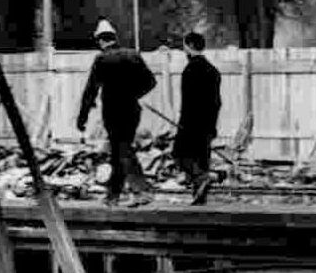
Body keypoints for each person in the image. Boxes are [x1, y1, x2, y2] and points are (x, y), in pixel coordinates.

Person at [74, 19, 157, 203]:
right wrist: (134, 95)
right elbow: (151, 82)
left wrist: (82, 117)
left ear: (101, 41)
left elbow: (90, 91)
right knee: (119, 150)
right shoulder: (133, 55)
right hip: (133, 110)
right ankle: (113, 194)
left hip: (113, 112)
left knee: (122, 148)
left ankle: (141, 190)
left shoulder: (102, 59)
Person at [173, 32, 223, 204]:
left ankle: (203, 179)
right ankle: (199, 196)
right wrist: (213, 125)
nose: (183, 49)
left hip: (191, 123)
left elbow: (188, 102)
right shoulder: (213, 71)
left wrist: (182, 125)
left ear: (189, 46)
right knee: (202, 158)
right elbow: (217, 102)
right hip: (208, 124)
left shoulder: (190, 70)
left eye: (184, 46)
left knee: (180, 155)